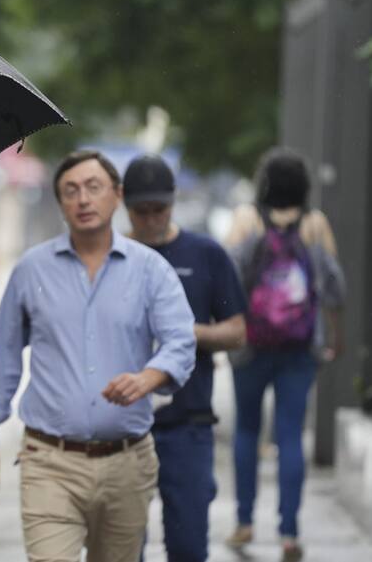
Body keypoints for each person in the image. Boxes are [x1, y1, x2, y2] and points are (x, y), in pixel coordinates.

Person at [0, 149, 197, 562]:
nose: (83, 199)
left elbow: (181, 340)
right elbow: (3, 356)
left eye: (94, 188)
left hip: (127, 462)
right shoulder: (32, 271)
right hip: (49, 462)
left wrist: (148, 377)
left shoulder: (150, 270)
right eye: (70, 191)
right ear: (60, 204)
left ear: (117, 196)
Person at [123, 154, 248, 562]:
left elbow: (237, 331)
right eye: (141, 211)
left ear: (173, 203)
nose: (151, 219)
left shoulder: (206, 254)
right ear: (125, 206)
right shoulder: (111, 257)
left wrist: (186, 334)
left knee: (190, 546)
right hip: (122, 427)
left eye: (159, 209)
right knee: (122, 548)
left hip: (188, 424)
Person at [223, 147, 345, 562]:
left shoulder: (245, 220)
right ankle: (289, 533)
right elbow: (334, 289)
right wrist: (335, 335)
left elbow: (227, 278)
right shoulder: (315, 225)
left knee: (246, 431)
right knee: (291, 435)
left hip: (250, 346)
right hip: (299, 347)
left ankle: (243, 523)